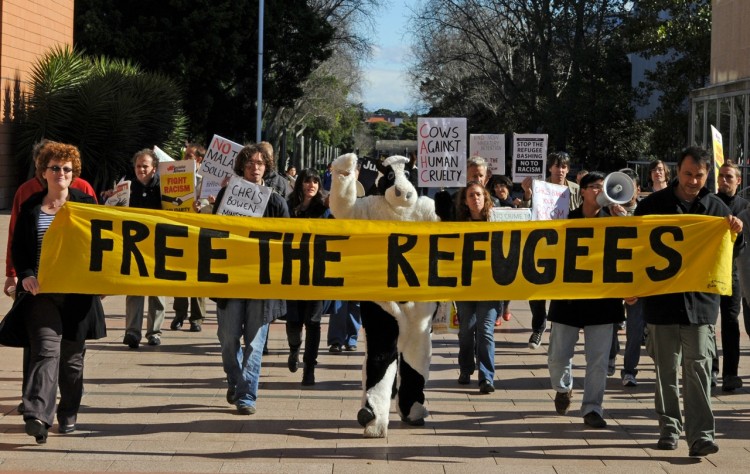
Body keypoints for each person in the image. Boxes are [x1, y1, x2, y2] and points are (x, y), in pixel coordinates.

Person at [633, 146, 743, 457]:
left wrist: (738, 234)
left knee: (699, 371)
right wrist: (632, 288)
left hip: (700, 307)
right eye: (687, 174)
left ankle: (701, 436)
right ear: (676, 171)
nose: (693, 181)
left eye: (699, 175)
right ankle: (669, 428)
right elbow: (633, 249)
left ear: (708, 175)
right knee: (666, 371)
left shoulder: (717, 208)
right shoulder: (653, 206)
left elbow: (731, 253)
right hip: (662, 304)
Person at [9, 141, 106, 443]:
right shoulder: (31, 208)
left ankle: (68, 412)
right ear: (44, 172)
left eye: (67, 169)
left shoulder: (85, 206)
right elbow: (20, 249)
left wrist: (103, 282)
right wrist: (23, 276)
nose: (61, 173)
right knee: (45, 352)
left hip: (77, 295)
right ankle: (37, 415)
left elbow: (102, 248)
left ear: (73, 173)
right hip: (42, 294)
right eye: (55, 168)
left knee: (72, 361)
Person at [213, 143, 289, 415]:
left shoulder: (278, 202)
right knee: (228, 338)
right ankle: (234, 380)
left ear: (267, 167)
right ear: (241, 167)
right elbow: (214, 233)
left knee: (255, 342)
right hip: (232, 278)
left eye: (260, 163)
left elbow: (286, 243)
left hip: (262, 283)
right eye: (250, 163)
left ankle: (247, 395)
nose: (255, 167)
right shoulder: (226, 195)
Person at [547, 171, 626, 429]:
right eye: (594, 187)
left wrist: (624, 223)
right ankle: (563, 387)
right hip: (568, 299)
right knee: (558, 356)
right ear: (582, 191)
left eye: (604, 187)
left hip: (602, 301)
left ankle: (593, 408)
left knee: (598, 360)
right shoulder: (565, 220)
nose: (600, 191)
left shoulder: (614, 221)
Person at [520, 152, 582, 350]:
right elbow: (527, 213)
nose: (560, 170)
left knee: (562, 292)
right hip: (542, 245)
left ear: (568, 169)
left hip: (567, 247)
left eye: (564, 166)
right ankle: (539, 327)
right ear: (550, 169)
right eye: (556, 166)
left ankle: (559, 328)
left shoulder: (576, 190)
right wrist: (528, 194)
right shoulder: (539, 187)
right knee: (536, 289)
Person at [454, 181, 503, 394]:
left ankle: (486, 377)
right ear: (465, 201)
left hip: (490, 286)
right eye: (471, 195)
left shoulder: (498, 222)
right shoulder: (456, 225)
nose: (476, 199)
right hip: (466, 287)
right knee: (466, 331)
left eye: (479, 195)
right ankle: (466, 368)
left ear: (486, 198)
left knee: (485, 332)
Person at [284, 168, 330, 386]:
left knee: (313, 322)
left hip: (316, 274)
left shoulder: (325, 209)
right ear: (300, 183)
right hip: (292, 272)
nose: (311, 185)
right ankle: (294, 349)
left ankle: (309, 368)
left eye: (315, 181)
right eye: (307, 181)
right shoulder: (287, 206)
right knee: (293, 320)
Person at [120, 149, 166, 348]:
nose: (141, 169)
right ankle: (132, 332)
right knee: (134, 290)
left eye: (145, 166)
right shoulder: (126, 188)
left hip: (159, 245)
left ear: (154, 168)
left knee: (157, 289)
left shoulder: (165, 189)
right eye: (138, 166)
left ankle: (154, 332)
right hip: (135, 246)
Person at [711, 161, 747, 391]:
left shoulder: (745, 206)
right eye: (721, 176)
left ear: (738, 180)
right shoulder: (709, 203)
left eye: (729, 177)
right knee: (707, 324)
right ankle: (712, 369)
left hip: (734, 272)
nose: (724, 181)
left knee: (731, 323)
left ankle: (730, 374)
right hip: (709, 270)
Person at [171, 143, 208, 332]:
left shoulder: (208, 179)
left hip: (200, 231)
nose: (185, 158)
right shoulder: (177, 176)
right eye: (184, 155)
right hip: (180, 230)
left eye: (189, 156)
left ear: (199, 159)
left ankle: (197, 318)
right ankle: (179, 313)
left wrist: (202, 205)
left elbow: (212, 202)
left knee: (199, 274)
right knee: (179, 273)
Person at [617, 169, 646, 387]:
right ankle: (610, 356)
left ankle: (629, 370)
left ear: (638, 189)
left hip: (638, 279)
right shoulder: (607, 211)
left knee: (635, 329)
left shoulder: (647, 210)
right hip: (613, 276)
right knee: (607, 324)